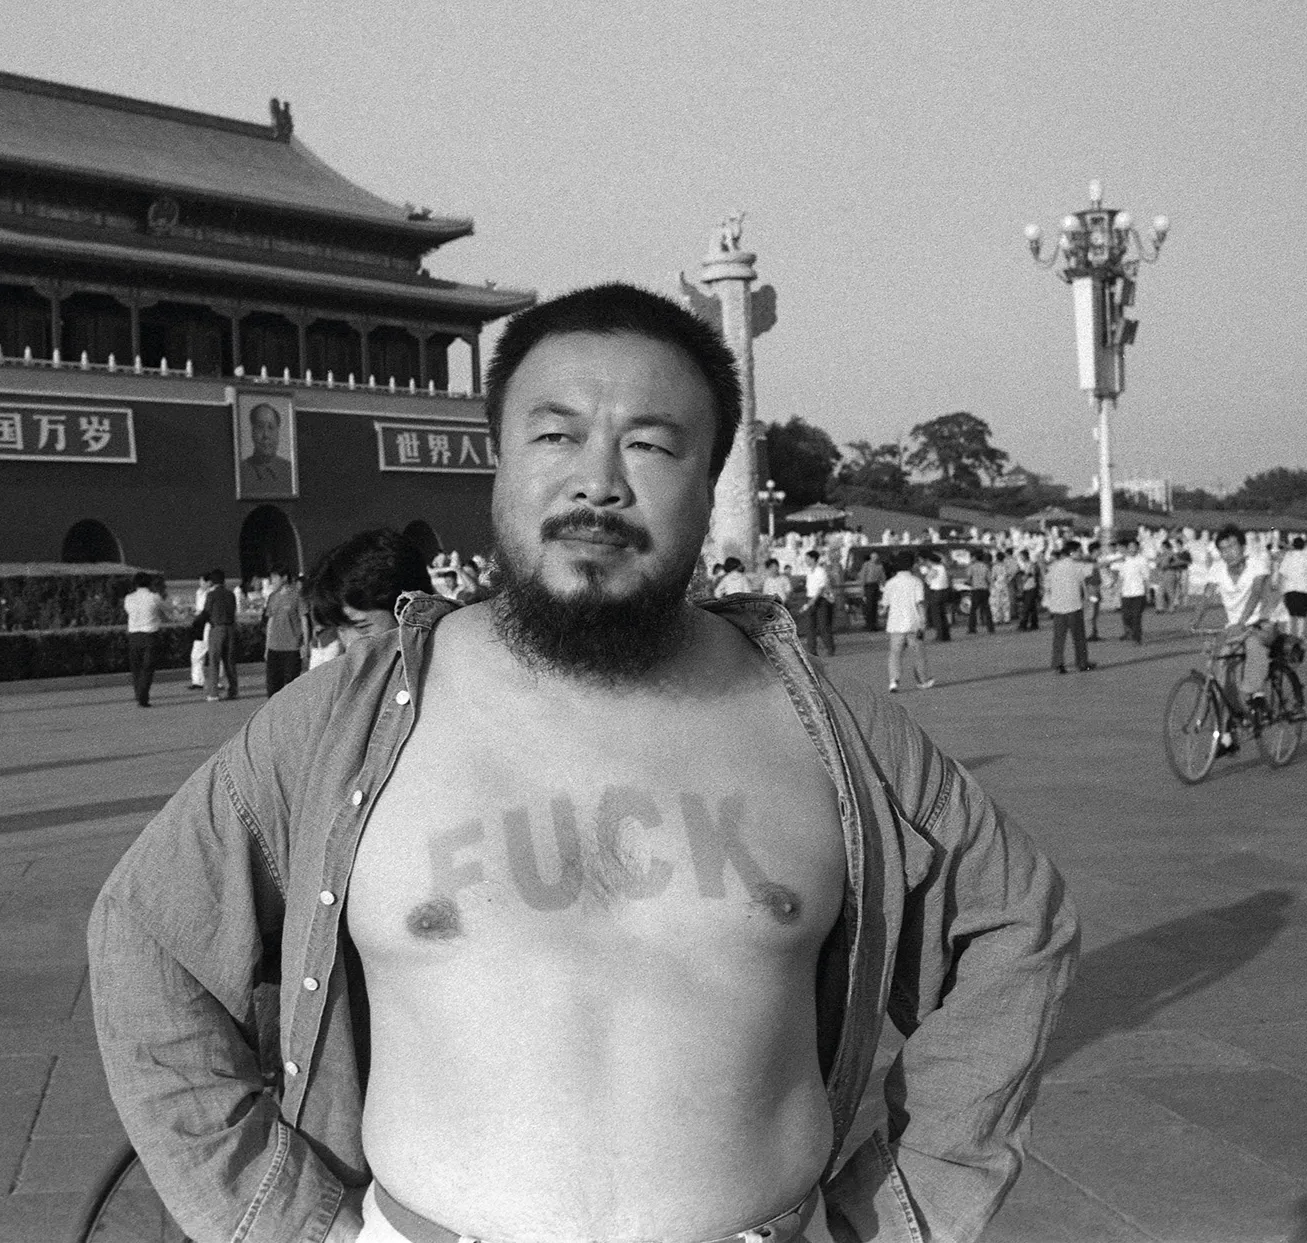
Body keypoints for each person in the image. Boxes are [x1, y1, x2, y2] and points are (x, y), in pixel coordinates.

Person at [90, 282, 1074, 1243]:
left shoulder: (822, 725)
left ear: (710, 480)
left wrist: (905, 1207)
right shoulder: (342, 721)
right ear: (498, 463)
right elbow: (148, 936)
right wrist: (284, 1220)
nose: (596, 480)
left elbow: (1014, 924)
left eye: (648, 444)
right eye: (554, 434)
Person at [306, 527, 435, 654]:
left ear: (410, 610)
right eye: (341, 629)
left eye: (362, 628)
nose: (350, 645)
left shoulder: (448, 661)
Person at [1198, 524, 1276, 718]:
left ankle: (1254, 693)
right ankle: (1229, 726)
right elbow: (1207, 596)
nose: (1228, 553)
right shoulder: (1217, 569)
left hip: (1262, 623)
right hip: (1235, 629)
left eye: (1232, 547)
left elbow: (1257, 593)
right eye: (1223, 549)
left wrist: (1242, 621)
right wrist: (1195, 619)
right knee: (1222, 666)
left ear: (1243, 547)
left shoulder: (1258, 563)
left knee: (1252, 643)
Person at [879, 550, 935, 693]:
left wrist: (882, 612)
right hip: (913, 622)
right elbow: (920, 603)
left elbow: (884, 605)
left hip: (895, 622)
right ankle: (923, 680)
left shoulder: (890, 583)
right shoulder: (916, 582)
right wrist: (924, 621)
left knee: (895, 653)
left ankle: (894, 681)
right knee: (918, 653)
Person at [1043, 541, 1095, 673]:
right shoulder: (1077, 566)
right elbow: (1095, 567)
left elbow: (1047, 585)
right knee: (1079, 637)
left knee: (1059, 638)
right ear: (1072, 552)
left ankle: (1058, 664)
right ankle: (1082, 663)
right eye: (1079, 551)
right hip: (1073, 606)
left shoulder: (1053, 567)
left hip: (1058, 607)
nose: (1081, 554)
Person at [122, 573, 173, 708]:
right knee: (147, 668)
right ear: (150, 583)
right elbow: (168, 609)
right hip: (150, 635)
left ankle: (138, 694)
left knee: (136, 668)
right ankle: (142, 697)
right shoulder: (154, 597)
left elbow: (129, 612)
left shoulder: (129, 598)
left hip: (134, 636)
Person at [263, 567, 312, 695]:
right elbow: (270, 622)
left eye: (275, 577)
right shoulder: (273, 597)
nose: (272, 580)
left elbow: (304, 621)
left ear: (284, 578)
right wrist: (267, 647)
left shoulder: (297, 596)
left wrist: (306, 645)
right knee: (273, 687)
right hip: (274, 648)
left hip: (292, 648)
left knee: (291, 686)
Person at [238, 401, 294, 497]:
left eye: (271, 427)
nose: (266, 435)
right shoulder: (240, 472)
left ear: (278, 432)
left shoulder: (291, 472)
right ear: (252, 432)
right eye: (260, 427)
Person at [199, 569, 240, 701]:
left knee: (214, 661)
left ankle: (213, 693)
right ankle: (233, 690)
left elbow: (206, 612)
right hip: (230, 628)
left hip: (217, 629)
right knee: (229, 661)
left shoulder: (211, 595)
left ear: (211, 581)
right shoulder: (231, 594)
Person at [1275, 536, 1307, 642]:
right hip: (1304, 588)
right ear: (1304, 546)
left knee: (1289, 613)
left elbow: (1282, 573)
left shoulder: (1288, 557)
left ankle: (1288, 634)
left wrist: (1281, 588)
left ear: (1293, 545)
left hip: (1289, 588)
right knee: (1301, 614)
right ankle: (1300, 635)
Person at [1115, 539, 1154, 645]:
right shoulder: (1124, 560)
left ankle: (1137, 638)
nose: (1132, 549)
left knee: (1136, 616)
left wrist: (1148, 592)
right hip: (1126, 593)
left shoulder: (1142, 560)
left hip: (1139, 592)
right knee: (1126, 616)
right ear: (1127, 548)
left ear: (1138, 548)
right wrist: (1116, 590)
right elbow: (1121, 577)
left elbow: (1146, 578)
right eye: (1130, 547)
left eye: (1134, 547)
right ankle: (1129, 632)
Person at [803, 550, 836, 656]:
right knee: (810, 626)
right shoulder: (809, 571)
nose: (806, 561)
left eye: (807, 558)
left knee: (823, 626)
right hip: (810, 598)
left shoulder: (820, 571)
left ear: (813, 559)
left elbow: (821, 587)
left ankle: (830, 648)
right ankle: (812, 650)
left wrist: (814, 600)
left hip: (820, 600)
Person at [920, 550, 953, 641]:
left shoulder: (934, 569)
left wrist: (926, 574)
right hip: (945, 592)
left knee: (936, 616)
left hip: (936, 593)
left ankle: (940, 635)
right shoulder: (943, 568)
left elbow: (927, 581)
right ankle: (946, 635)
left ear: (931, 561)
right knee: (943, 614)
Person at [965, 549, 995, 634]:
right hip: (984, 589)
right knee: (987, 609)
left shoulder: (972, 567)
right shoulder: (985, 566)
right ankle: (990, 628)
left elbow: (968, 579)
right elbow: (989, 579)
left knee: (973, 610)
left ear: (974, 557)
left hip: (976, 590)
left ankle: (972, 628)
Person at [855, 552, 885, 631]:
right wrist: (862, 588)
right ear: (871, 557)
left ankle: (874, 625)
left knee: (874, 606)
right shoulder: (866, 565)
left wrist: (884, 586)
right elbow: (863, 576)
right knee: (869, 606)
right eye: (874, 557)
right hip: (868, 586)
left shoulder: (879, 566)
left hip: (876, 586)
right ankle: (869, 625)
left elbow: (882, 577)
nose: (875, 558)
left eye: (876, 557)